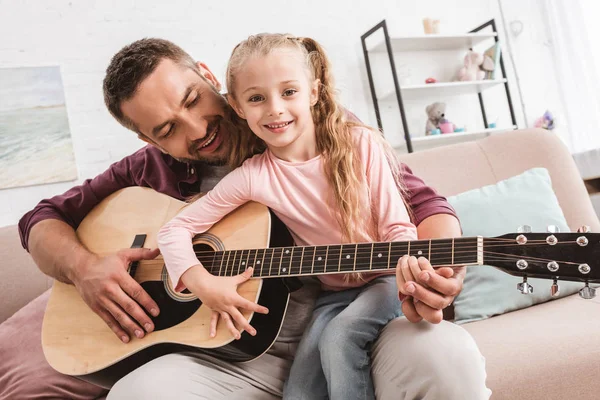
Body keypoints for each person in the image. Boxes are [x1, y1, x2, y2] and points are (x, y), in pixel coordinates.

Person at [0, 38, 491, 400]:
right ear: (149, 141)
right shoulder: (145, 173)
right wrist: (84, 269)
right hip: (228, 359)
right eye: (168, 129)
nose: (198, 129)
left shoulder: (302, 126)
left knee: (443, 357)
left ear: (212, 77)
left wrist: (437, 272)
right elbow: (41, 220)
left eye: (193, 100)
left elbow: (425, 205)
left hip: (345, 320)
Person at [157, 33, 418, 400]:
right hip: (333, 295)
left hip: (385, 280)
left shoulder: (361, 143)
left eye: (289, 92)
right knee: (298, 392)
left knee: (341, 337)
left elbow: (398, 228)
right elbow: (173, 231)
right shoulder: (253, 176)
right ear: (237, 107)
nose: (275, 109)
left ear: (313, 92)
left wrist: (410, 267)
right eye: (256, 98)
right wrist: (202, 283)